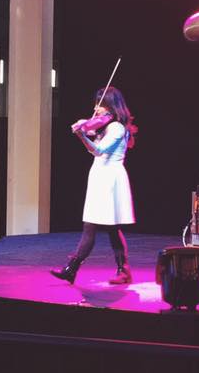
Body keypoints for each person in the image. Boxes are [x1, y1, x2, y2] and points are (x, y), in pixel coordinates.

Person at [50, 86, 138, 285]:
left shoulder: (116, 128)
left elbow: (98, 151)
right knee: (111, 228)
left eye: (100, 104)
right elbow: (95, 148)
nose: (96, 109)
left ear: (111, 106)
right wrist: (85, 129)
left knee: (93, 225)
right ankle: (123, 271)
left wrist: (82, 135)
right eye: (96, 104)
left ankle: (72, 269)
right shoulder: (105, 127)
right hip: (101, 176)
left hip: (109, 178)